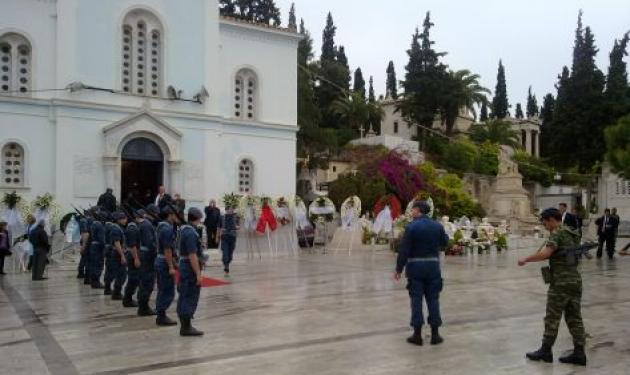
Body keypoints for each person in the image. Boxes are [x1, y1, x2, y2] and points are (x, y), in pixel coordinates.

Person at [519, 208, 586, 366]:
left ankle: (546, 350)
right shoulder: (572, 232)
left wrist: (526, 259)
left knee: (552, 317)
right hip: (575, 280)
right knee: (574, 317)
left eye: (544, 221)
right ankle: (579, 352)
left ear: (551, 219)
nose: (543, 224)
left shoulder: (557, 233)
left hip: (561, 283)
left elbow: (546, 253)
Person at [394, 201, 449, 346]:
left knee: (416, 300)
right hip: (433, 267)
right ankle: (435, 334)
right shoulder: (437, 226)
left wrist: (399, 269)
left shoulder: (411, 227)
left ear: (418, 211)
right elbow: (445, 242)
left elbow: (404, 250)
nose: (411, 213)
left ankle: (417, 335)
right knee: (433, 299)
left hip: (415, 268)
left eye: (412, 210)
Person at [177, 207, 205, 336]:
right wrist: (198, 274)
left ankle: (185, 325)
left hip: (184, 265)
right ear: (199, 218)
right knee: (189, 295)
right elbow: (192, 255)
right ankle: (186, 327)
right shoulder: (190, 233)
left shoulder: (184, 230)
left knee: (184, 294)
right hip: (189, 267)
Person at [155, 206, 179, 326]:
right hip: (164, 262)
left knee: (162, 289)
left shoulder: (161, 226)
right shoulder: (167, 229)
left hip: (160, 260)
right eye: (175, 214)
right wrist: (171, 266)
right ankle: (161, 315)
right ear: (170, 215)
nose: (176, 216)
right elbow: (167, 249)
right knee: (167, 290)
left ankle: (160, 313)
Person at [137, 208, 158, 316]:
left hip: (144, 254)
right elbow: (150, 242)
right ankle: (143, 307)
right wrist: (157, 253)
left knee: (144, 281)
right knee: (147, 281)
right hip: (148, 256)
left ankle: (143, 306)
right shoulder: (146, 225)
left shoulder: (142, 224)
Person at [123, 210, 142, 308]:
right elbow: (132, 245)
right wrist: (136, 258)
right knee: (133, 278)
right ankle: (127, 299)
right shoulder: (132, 228)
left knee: (134, 278)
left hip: (132, 255)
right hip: (132, 255)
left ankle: (128, 298)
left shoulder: (133, 227)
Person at [107, 212, 128, 301]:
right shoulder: (116, 229)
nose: (125, 220)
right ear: (119, 219)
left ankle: (116, 292)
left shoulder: (117, 228)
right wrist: (122, 255)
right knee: (121, 274)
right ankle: (116, 293)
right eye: (124, 218)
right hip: (117, 254)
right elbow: (117, 243)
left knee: (120, 274)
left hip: (117, 253)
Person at [88, 210, 107, 289]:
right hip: (98, 247)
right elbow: (102, 239)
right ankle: (96, 282)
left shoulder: (94, 224)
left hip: (93, 246)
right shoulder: (99, 225)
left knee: (93, 264)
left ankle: (93, 281)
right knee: (98, 264)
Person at [219, 205, 240, 276]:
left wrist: (236, 227)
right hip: (224, 237)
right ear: (226, 210)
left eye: (232, 209)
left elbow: (238, 226)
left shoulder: (236, 217)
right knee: (225, 253)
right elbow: (219, 227)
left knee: (230, 255)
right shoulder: (222, 217)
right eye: (229, 209)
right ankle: (226, 267)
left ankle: (227, 263)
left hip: (232, 236)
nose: (231, 210)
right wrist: (217, 236)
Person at [77, 212, 91, 280]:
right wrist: (83, 246)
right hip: (86, 241)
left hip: (85, 241)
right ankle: (81, 273)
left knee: (84, 258)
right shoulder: (84, 221)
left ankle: (81, 272)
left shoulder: (84, 220)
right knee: (84, 258)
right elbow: (85, 233)